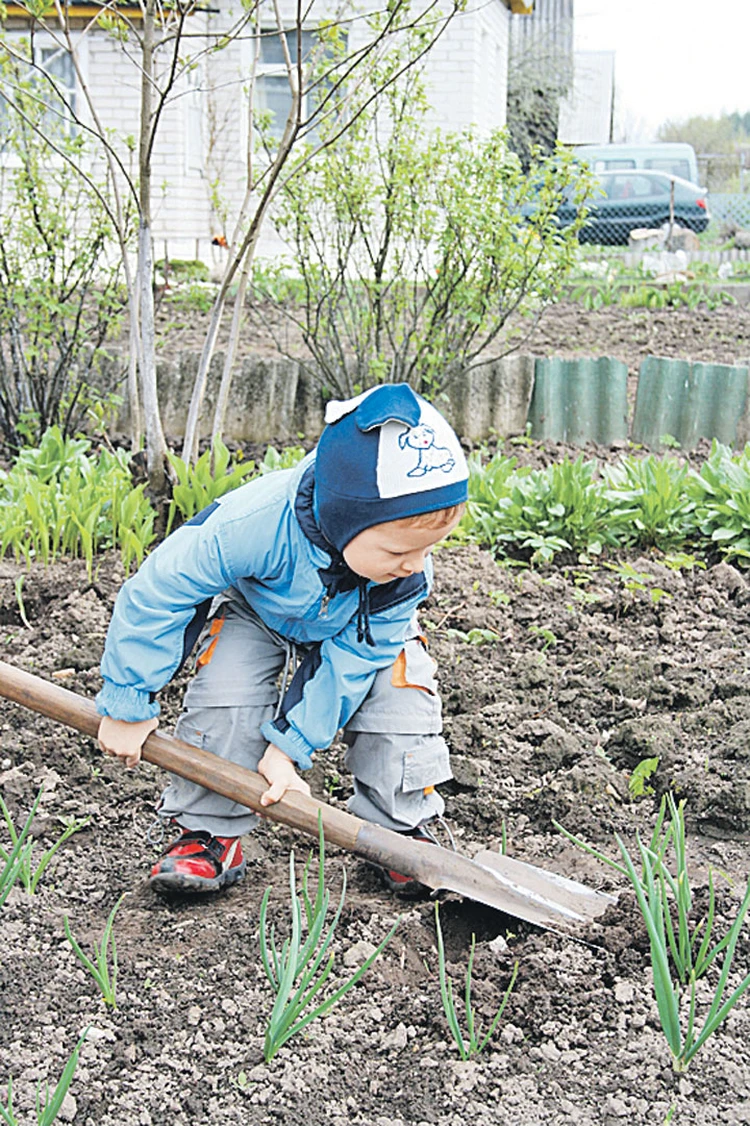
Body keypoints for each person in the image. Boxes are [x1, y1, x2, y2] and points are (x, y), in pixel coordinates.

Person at [96, 383, 468, 896]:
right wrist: (128, 700)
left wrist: (290, 747)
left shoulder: (401, 577)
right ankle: (208, 835)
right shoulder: (252, 523)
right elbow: (159, 590)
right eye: (398, 551)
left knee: (402, 697)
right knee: (226, 692)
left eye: (429, 549)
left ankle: (401, 833)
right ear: (343, 521)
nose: (416, 565)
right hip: (260, 612)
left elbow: (353, 660)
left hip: (358, 625)